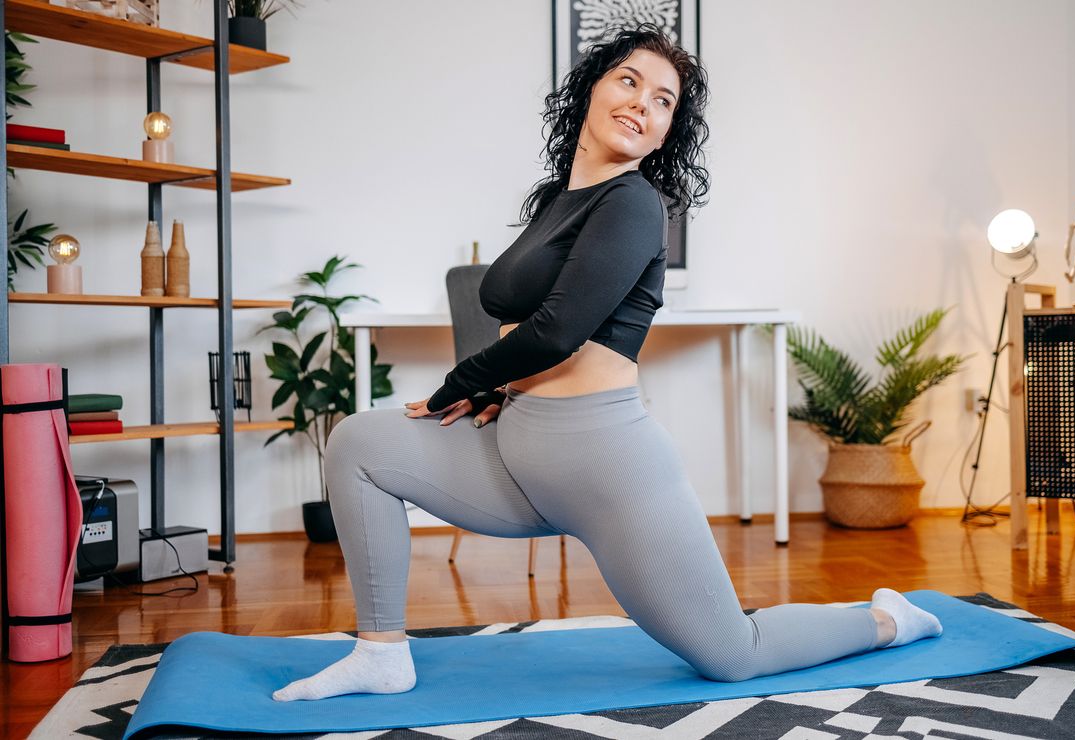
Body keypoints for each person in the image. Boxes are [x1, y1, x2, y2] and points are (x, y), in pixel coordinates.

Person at [273, 23, 941, 703]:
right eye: (628, 81)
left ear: (664, 133)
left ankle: (887, 619)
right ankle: (382, 652)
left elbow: (561, 330)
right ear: (589, 90)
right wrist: (498, 391)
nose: (641, 104)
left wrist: (459, 383)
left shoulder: (634, 204)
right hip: (517, 451)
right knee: (359, 441)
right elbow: (531, 324)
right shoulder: (553, 204)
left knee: (732, 654)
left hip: (606, 463)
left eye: (662, 101)